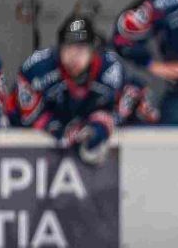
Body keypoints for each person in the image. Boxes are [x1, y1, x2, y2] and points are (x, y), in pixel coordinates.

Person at [13, 16, 125, 164]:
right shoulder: (37, 68)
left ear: (92, 50)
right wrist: (58, 128)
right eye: (68, 48)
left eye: (80, 49)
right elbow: (26, 114)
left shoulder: (111, 68)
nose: (73, 57)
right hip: (33, 152)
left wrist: (99, 127)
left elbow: (121, 106)